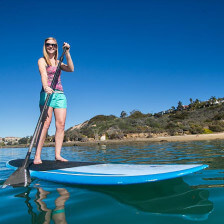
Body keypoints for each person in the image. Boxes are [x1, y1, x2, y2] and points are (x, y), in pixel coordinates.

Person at [34, 37, 74, 165]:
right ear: (45, 46)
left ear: (57, 47)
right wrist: (46, 87)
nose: (51, 46)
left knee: (61, 125)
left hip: (60, 95)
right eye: (48, 44)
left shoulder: (59, 62)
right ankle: (37, 156)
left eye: (53, 45)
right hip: (47, 93)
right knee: (45, 124)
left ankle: (57, 155)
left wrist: (67, 52)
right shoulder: (42, 60)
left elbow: (71, 68)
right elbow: (43, 74)